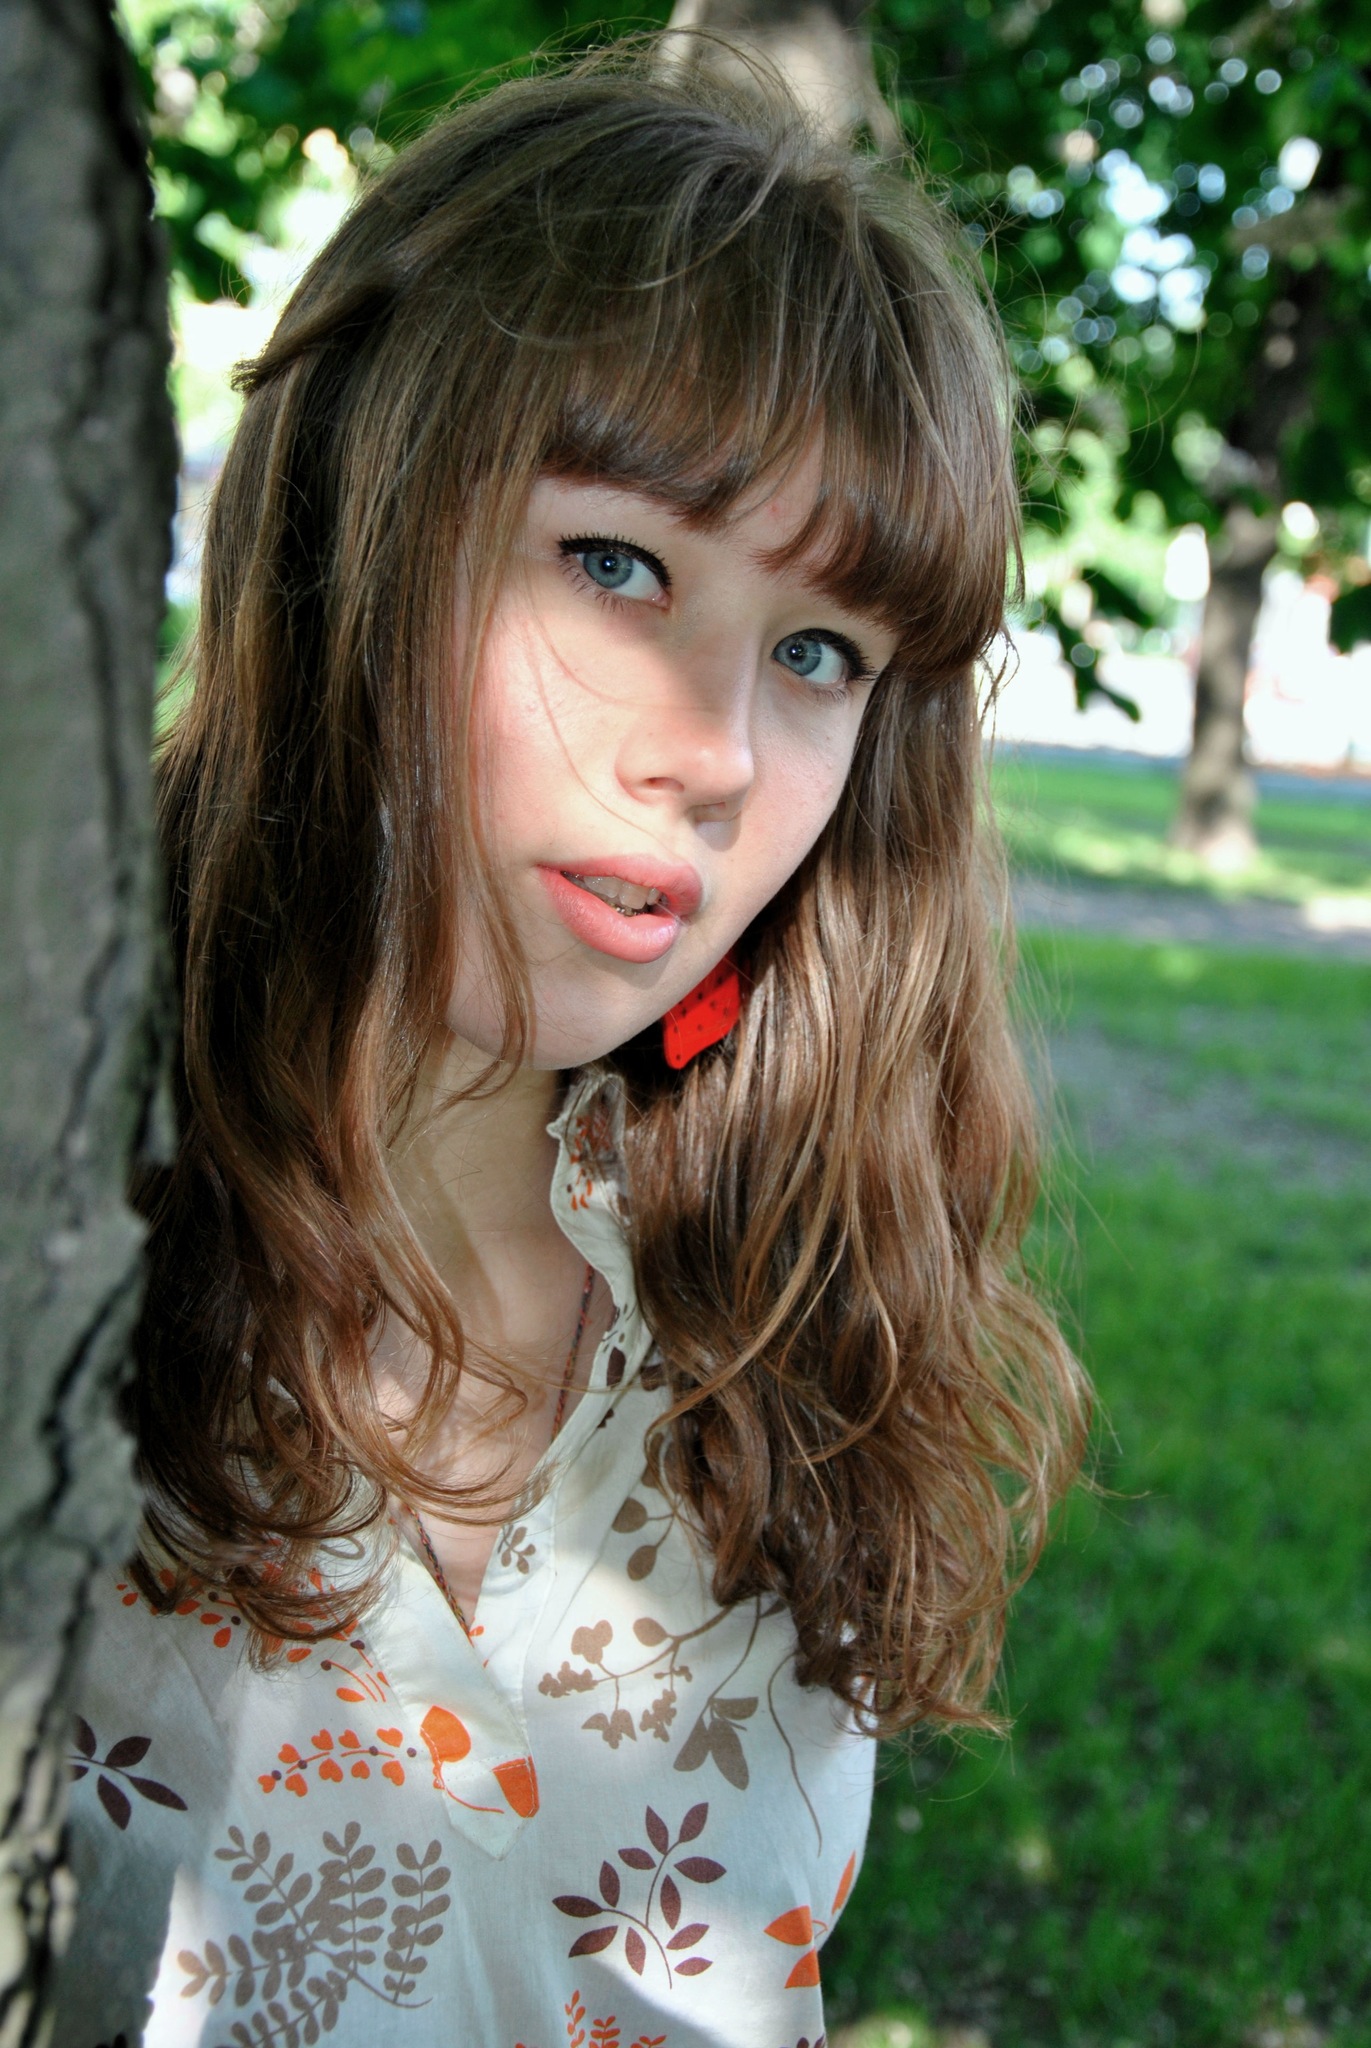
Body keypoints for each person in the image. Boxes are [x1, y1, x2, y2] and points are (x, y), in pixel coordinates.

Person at [53, 38, 1088, 2048]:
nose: (714, 753)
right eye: (616, 563)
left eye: (819, 652)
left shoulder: (790, 1314)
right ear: (352, 522)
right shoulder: (57, 1239)